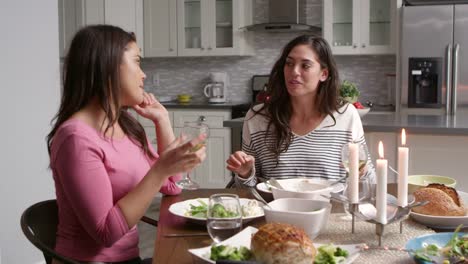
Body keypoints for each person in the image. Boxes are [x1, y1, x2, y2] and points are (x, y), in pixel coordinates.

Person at [47, 25, 206, 263]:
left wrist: (162, 120)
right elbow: (106, 233)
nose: (144, 74)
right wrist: (160, 169)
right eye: (137, 62)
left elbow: (173, 186)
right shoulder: (76, 139)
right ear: (108, 67)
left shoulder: (125, 126)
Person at [226, 35, 375, 187]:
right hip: (275, 209)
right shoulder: (257, 118)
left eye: (305, 66)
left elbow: (369, 179)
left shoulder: (346, 114)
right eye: (289, 64)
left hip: (330, 209)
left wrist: (361, 173)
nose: (294, 71)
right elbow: (248, 191)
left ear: (323, 74)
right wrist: (244, 174)